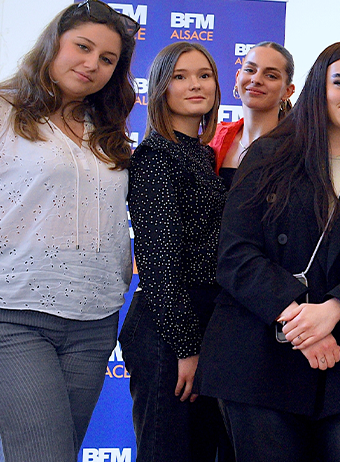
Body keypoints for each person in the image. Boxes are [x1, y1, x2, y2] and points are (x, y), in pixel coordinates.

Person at [197, 40, 340, 461]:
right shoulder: (267, 155)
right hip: (259, 351)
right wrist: (301, 320)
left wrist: (332, 311)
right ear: (319, 85)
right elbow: (235, 254)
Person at [0, 0, 138, 461]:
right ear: (52, 45)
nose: (92, 64)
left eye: (107, 59)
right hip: (1, 316)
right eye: (82, 47)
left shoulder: (102, 129)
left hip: (93, 322)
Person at [122, 41, 229, 461]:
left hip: (203, 323)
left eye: (204, 75)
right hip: (167, 330)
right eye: (181, 76)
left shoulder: (202, 154)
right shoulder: (154, 157)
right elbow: (160, 264)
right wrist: (186, 348)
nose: (196, 85)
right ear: (162, 88)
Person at [209, 41, 296, 188]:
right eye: (250, 70)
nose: (256, 79)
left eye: (271, 76)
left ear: (288, 91)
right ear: (237, 77)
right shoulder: (214, 138)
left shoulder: (297, 147)